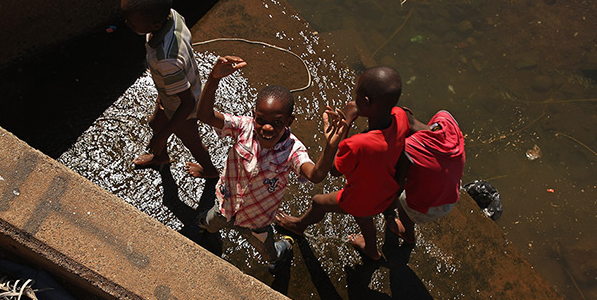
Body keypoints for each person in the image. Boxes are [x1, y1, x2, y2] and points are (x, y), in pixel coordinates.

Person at [196, 55, 348, 273]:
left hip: (257, 221)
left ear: (289, 121)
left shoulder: (293, 150)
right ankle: (203, 226)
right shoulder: (242, 127)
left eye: (277, 122)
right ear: (253, 115)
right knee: (209, 222)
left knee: (270, 252)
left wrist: (330, 147)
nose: (267, 128)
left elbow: (315, 174)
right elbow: (204, 115)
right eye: (261, 120)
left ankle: (284, 248)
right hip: (225, 206)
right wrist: (213, 79)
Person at [276, 66, 411, 262]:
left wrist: (345, 124)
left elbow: (335, 171)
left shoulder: (358, 144)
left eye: (357, 95)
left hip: (360, 197)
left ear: (365, 102)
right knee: (364, 217)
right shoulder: (401, 116)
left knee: (318, 203)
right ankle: (371, 250)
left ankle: (298, 225)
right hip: (387, 190)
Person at [120, 0, 218, 178]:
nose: (127, 23)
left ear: (155, 26)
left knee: (192, 142)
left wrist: (162, 136)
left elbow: (187, 103)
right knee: (155, 123)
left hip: (183, 106)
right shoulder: (172, 16)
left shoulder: (165, 59)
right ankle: (161, 157)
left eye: (132, 22)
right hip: (175, 90)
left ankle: (209, 170)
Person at [384, 109, 465, 244]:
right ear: (410, 113)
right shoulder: (445, 119)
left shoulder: (408, 150)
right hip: (453, 192)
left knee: (402, 204)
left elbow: (397, 186)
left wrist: (389, 211)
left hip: (432, 206)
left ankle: (408, 234)